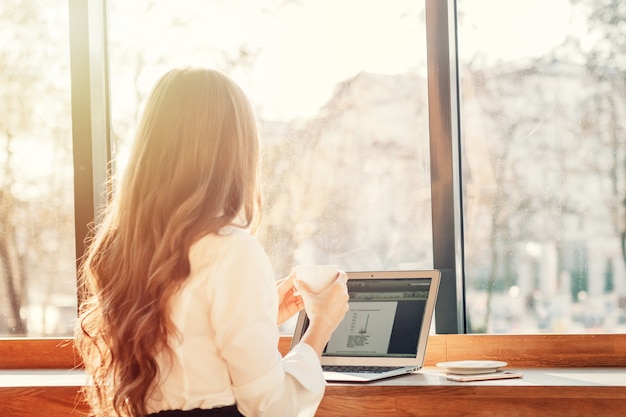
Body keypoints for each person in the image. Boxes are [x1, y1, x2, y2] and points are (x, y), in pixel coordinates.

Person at [75, 67, 350, 417]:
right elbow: (271, 408)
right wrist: (321, 325)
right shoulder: (232, 251)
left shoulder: (127, 252)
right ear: (236, 154)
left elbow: (194, 345)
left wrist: (261, 310)